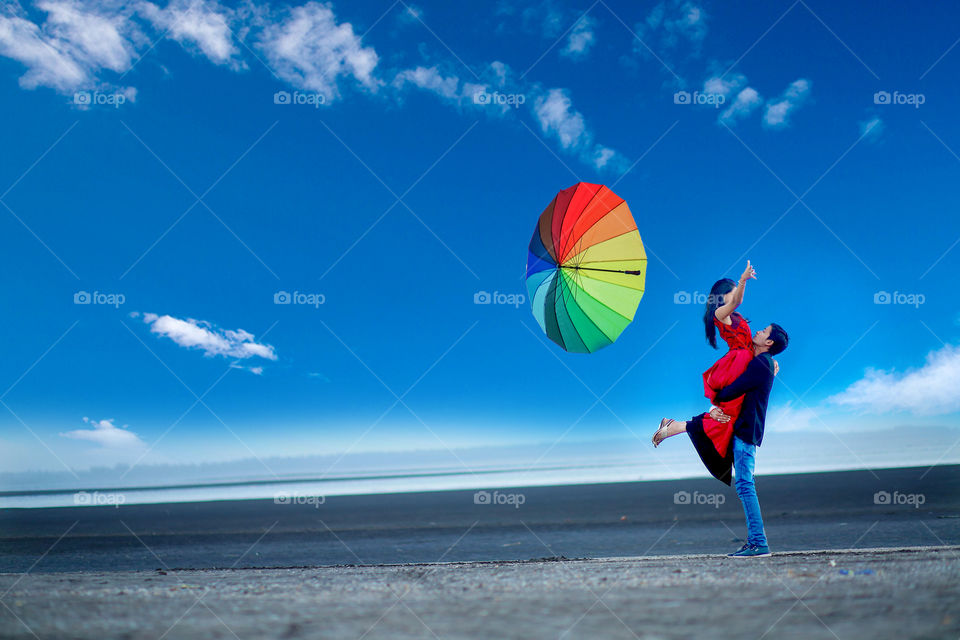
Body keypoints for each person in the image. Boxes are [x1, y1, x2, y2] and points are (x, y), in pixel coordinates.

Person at [655, 322, 790, 557]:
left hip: (746, 431)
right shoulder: (763, 362)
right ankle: (756, 542)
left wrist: (715, 398)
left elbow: (734, 389)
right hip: (744, 429)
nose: (758, 331)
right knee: (744, 484)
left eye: (764, 331)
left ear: (769, 342)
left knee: (746, 485)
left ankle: (759, 543)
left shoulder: (762, 363)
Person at [652, 261, 776, 485]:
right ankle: (678, 426)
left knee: (727, 417)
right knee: (727, 416)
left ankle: (674, 426)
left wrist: (768, 367)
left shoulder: (737, 316)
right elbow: (738, 299)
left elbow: (740, 308)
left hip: (746, 361)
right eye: (730, 293)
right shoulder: (721, 314)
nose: (735, 296)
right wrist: (743, 279)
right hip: (737, 363)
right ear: (721, 297)